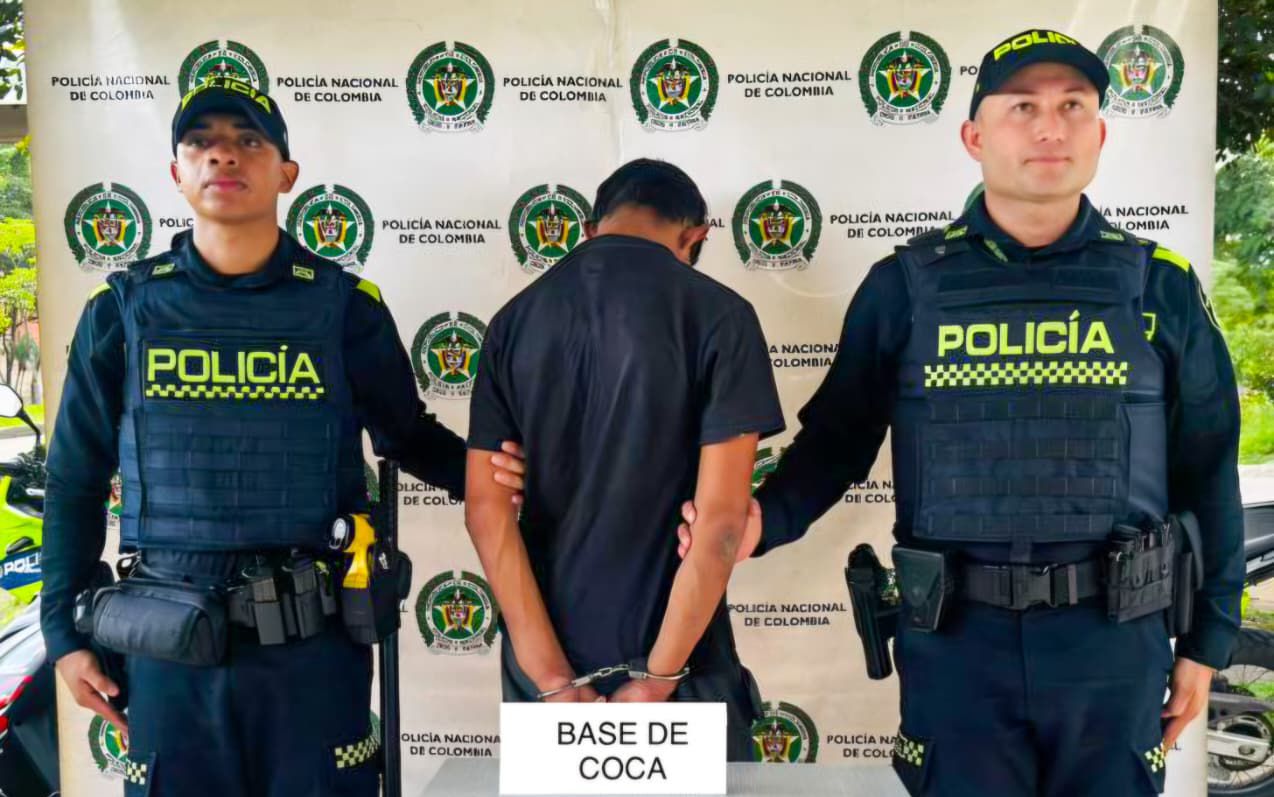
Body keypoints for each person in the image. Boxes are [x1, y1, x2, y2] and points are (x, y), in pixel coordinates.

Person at [678, 29, 1242, 796]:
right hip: (956, 649)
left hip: (1112, 651)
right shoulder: (904, 287)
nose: (1050, 127)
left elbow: (1209, 468)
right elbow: (837, 442)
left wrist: (1207, 641)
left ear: (1100, 133)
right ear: (975, 137)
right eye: (1023, 107)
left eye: (1073, 106)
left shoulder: (1161, 286)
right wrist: (761, 520)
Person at [42, 76, 524, 796]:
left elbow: (409, 438)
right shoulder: (120, 312)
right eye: (201, 143)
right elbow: (76, 480)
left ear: (286, 173)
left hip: (312, 651)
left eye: (248, 141)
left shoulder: (345, 308)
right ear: (176, 173)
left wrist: (507, 476)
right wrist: (64, 637)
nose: (223, 156)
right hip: (169, 650)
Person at [464, 159, 785, 759]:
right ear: (695, 237)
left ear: (590, 229)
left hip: (545, 671)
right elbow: (720, 525)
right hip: (681, 663)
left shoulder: (512, 321)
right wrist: (658, 680)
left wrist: (553, 680)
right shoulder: (721, 316)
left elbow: (486, 513)